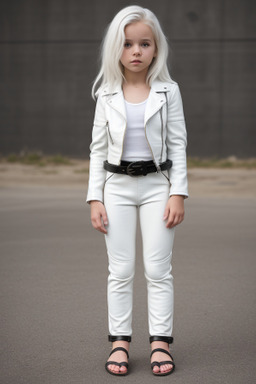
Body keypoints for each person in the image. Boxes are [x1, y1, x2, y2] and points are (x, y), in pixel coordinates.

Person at [86, 5, 188, 377]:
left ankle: (161, 341)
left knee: (159, 269)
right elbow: (97, 149)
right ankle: (120, 342)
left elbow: (178, 145)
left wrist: (178, 192)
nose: (136, 51)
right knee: (121, 269)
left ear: (156, 48)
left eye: (144, 43)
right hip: (116, 188)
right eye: (128, 44)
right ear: (117, 48)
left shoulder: (168, 91)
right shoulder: (106, 94)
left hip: (158, 187)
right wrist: (94, 197)